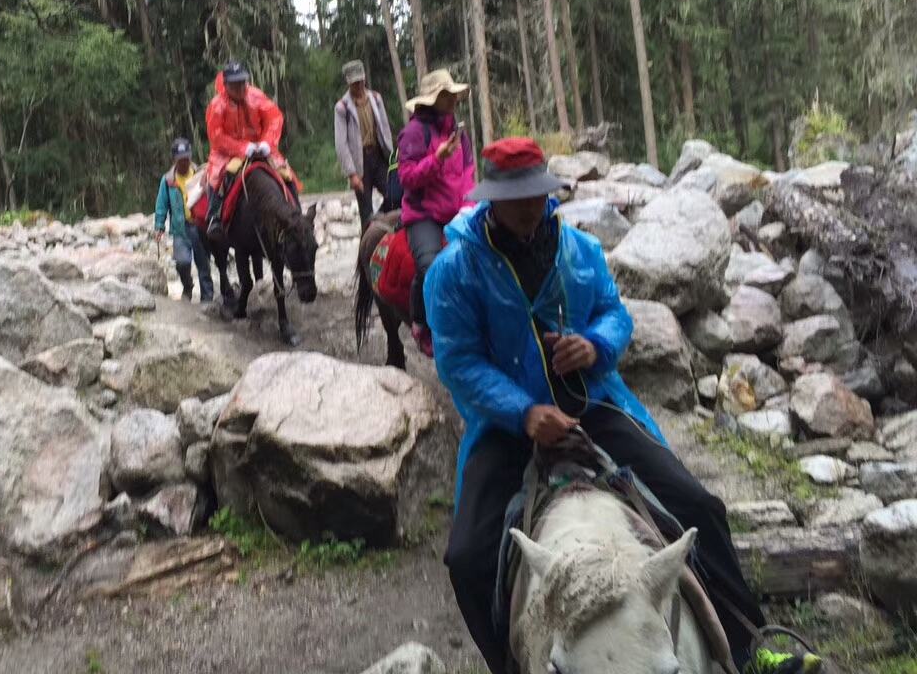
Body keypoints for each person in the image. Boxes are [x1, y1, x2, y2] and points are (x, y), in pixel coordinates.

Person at [426, 136, 820, 674]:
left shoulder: (580, 251)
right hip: (507, 425)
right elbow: (458, 362)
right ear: (490, 199)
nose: (525, 208)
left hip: (592, 403)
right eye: (511, 197)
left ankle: (752, 649)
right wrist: (523, 412)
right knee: (467, 557)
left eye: (532, 195)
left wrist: (595, 345)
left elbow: (615, 313)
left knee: (698, 506)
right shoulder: (454, 271)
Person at [395, 68, 475, 358]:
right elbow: (407, 178)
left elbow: (468, 172)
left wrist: (468, 207)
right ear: (431, 100)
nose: (453, 99)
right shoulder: (414, 133)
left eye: (453, 94)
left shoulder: (458, 131)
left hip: (456, 210)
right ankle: (420, 323)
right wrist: (436, 159)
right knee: (430, 266)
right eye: (446, 95)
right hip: (423, 213)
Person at [204, 59, 294, 240]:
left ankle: (295, 210)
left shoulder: (257, 96)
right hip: (227, 152)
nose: (240, 88)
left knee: (285, 173)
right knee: (217, 176)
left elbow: (274, 118)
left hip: (260, 147)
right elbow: (216, 135)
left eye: (242, 82)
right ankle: (215, 217)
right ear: (226, 85)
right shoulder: (217, 105)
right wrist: (242, 148)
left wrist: (267, 142)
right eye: (234, 84)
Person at [334, 60, 394, 229]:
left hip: (379, 156)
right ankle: (366, 251)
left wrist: (391, 155)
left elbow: (385, 128)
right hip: (360, 162)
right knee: (365, 212)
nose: (358, 85)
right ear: (348, 82)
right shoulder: (342, 107)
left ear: (364, 78)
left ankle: (381, 221)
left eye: (360, 81)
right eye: (354, 83)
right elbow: (341, 143)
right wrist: (352, 173)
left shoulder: (375, 98)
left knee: (393, 195)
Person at [154, 138, 214, 304]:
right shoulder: (167, 180)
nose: (184, 162)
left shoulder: (200, 174)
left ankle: (208, 298)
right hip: (180, 228)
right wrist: (159, 226)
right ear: (174, 160)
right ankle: (187, 286)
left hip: (200, 226)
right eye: (181, 160)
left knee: (203, 263)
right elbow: (162, 204)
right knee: (182, 262)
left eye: (187, 158)